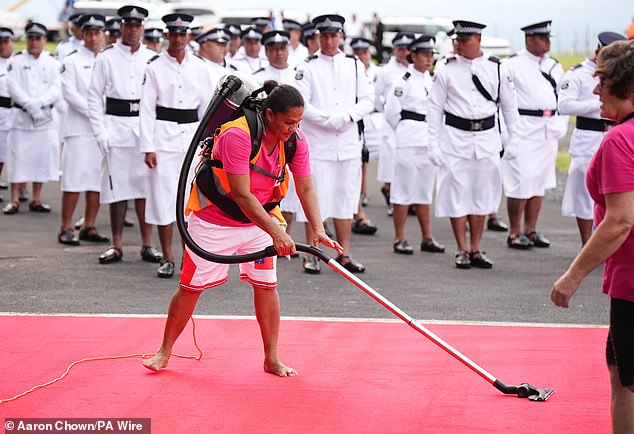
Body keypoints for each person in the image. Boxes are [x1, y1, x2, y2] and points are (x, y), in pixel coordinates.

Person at [143, 82, 342, 375]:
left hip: (260, 220)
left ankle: (271, 358)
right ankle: (164, 351)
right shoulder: (238, 134)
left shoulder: (295, 140)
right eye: (288, 122)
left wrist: (318, 228)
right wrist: (277, 232)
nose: (294, 128)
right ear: (270, 114)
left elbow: (306, 186)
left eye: (298, 122)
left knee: (266, 286)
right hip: (215, 219)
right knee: (190, 288)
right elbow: (241, 193)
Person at [551, 39, 634, 434]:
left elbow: (619, 222)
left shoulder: (621, 139)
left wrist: (573, 276)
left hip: (632, 281)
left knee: (626, 378)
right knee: (621, 372)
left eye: (605, 82)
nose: (595, 90)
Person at [428, 20, 520, 269]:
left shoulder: (497, 67)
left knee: (482, 193)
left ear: (478, 39)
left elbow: (509, 106)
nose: (458, 44)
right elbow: (435, 108)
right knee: (457, 192)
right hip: (455, 136)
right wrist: (433, 144)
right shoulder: (445, 67)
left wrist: (514, 139)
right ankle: (461, 248)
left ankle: (476, 247)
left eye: (464, 40)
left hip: (487, 137)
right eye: (456, 40)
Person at [293, 14, 374, 274]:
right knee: (315, 199)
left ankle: (344, 254)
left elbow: (368, 99)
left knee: (346, 198)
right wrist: (331, 120)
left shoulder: (353, 64)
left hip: (347, 142)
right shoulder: (307, 66)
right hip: (319, 142)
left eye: (333, 35)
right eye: (324, 35)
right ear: (318, 37)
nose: (329, 40)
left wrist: (348, 116)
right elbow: (301, 105)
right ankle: (312, 254)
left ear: (340, 36)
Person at [140, 13, 214, 278]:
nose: (178, 39)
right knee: (163, 200)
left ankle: (189, 256)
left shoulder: (201, 67)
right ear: (167, 36)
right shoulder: (154, 66)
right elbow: (147, 109)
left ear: (189, 36)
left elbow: (207, 109)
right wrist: (148, 145)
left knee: (189, 202)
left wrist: (209, 143)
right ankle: (168, 257)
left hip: (191, 138)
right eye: (174, 34)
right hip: (162, 138)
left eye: (183, 34)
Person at [87, 5, 162, 264]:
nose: (132, 29)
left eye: (137, 25)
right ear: (121, 26)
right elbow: (94, 98)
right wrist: (100, 133)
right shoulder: (106, 56)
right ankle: (116, 244)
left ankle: (147, 244)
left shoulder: (152, 57)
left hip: (143, 127)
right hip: (115, 125)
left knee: (145, 188)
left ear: (142, 28)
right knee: (116, 189)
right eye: (128, 24)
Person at [502, 21, 568, 250]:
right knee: (521, 180)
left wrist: (561, 123)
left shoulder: (554, 66)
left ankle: (530, 229)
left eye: (549, 37)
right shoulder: (512, 64)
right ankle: (514, 231)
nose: (548, 42)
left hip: (547, 128)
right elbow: (505, 101)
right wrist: (508, 133)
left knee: (540, 181)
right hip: (523, 126)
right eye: (543, 38)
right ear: (529, 39)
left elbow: (563, 97)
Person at [559, 32, 626, 246]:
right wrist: (597, 106)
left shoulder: (620, 74)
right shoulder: (578, 73)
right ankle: (586, 243)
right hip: (587, 137)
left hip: (613, 132)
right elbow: (564, 105)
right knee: (584, 194)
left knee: (615, 192)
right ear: (598, 51)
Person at [384, 35, 445, 255]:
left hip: (428, 139)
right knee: (403, 191)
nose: (429, 58)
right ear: (414, 55)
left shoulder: (433, 79)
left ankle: (427, 237)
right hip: (409, 138)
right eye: (425, 54)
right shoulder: (404, 80)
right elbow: (392, 113)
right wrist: (405, 130)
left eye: (431, 55)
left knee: (424, 191)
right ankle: (399, 238)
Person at [57, 14, 109, 245]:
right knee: (73, 180)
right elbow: (70, 94)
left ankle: (89, 224)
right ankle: (66, 226)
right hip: (79, 129)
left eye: (98, 32)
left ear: (103, 34)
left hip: (103, 129)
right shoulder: (72, 60)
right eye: (89, 32)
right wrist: (95, 112)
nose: (94, 37)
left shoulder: (109, 59)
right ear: (83, 34)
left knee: (96, 181)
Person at [3, 22, 61, 215]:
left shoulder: (52, 62)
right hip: (21, 117)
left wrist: (39, 103)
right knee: (18, 159)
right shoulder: (17, 61)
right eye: (31, 38)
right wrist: (30, 104)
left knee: (40, 159)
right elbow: (13, 86)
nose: (34, 42)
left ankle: (36, 199)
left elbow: (56, 88)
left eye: (38, 38)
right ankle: (14, 200)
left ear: (44, 40)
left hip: (44, 118)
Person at [373, 32, 413, 216]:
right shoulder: (386, 70)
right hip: (392, 120)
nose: (403, 52)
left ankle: (408, 198)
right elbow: (376, 95)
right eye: (400, 48)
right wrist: (384, 111)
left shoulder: (415, 69)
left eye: (406, 48)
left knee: (409, 161)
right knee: (391, 160)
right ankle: (391, 193)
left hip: (412, 122)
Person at [0, 27, 14, 202]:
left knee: (21, 153)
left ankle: (22, 188)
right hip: (0, 111)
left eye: (5, 42)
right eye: (0, 42)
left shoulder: (18, 61)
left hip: (18, 112)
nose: (2, 46)